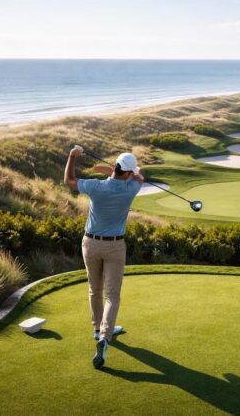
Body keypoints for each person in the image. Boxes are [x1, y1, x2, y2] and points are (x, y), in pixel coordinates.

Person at [64, 146, 144, 369]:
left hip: (90, 243)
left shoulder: (96, 186)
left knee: (94, 289)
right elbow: (140, 176)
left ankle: (98, 329)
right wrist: (129, 171)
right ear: (127, 173)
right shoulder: (131, 189)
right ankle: (105, 337)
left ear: (115, 167)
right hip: (115, 246)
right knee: (112, 296)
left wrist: (72, 157)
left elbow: (69, 180)